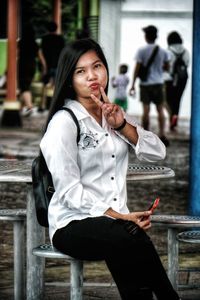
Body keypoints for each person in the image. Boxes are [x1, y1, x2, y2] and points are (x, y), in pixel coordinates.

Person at [40, 38, 180, 300]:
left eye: (97, 66)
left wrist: (122, 126)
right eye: (80, 71)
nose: (92, 76)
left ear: (106, 69)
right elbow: (70, 191)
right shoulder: (63, 123)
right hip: (72, 225)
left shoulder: (114, 115)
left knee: (128, 246)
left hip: (117, 227)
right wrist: (119, 215)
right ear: (69, 79)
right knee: (128, 235)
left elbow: (158, 151)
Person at [129, 25, 170, 147]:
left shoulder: (141, 51)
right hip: (158, 83)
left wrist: (132, 85)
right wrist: (158, 69)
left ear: (146, 36)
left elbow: (137, 69)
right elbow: (167, 67)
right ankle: (162, 135)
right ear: (156, 36)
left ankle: (145, 136)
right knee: (160, 110)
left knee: (146, 111)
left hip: (145, 85)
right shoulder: (163, 52)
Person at [18, 24, 46, 117]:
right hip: (32, 66)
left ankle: (30, 106)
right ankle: (20, 107)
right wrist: (44, 67)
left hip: (22, 65)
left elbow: (16, 55)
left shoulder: (20, 42)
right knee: (25, 85)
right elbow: (40, 57)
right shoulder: (35, 43)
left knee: (24, 87)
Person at [165, 31, 189, 131]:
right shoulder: (186, 51)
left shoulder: (168, 50)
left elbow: (166, 66)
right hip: (183, 78)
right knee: (178, 99)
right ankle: (175, 117)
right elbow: (187, 64)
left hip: (169, 79)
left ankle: (171, 118)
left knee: (167, 99)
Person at [39, 21, 65, 111]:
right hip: (57, 64)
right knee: (55, 86)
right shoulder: (60, 39)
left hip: (47, 65)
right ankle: (54, 106)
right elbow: (63, 53)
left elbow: (41, 52)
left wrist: (43, 66)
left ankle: (42, 105)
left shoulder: (44, 39)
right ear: (56, 28)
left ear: (47, 29)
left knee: (45, 85)